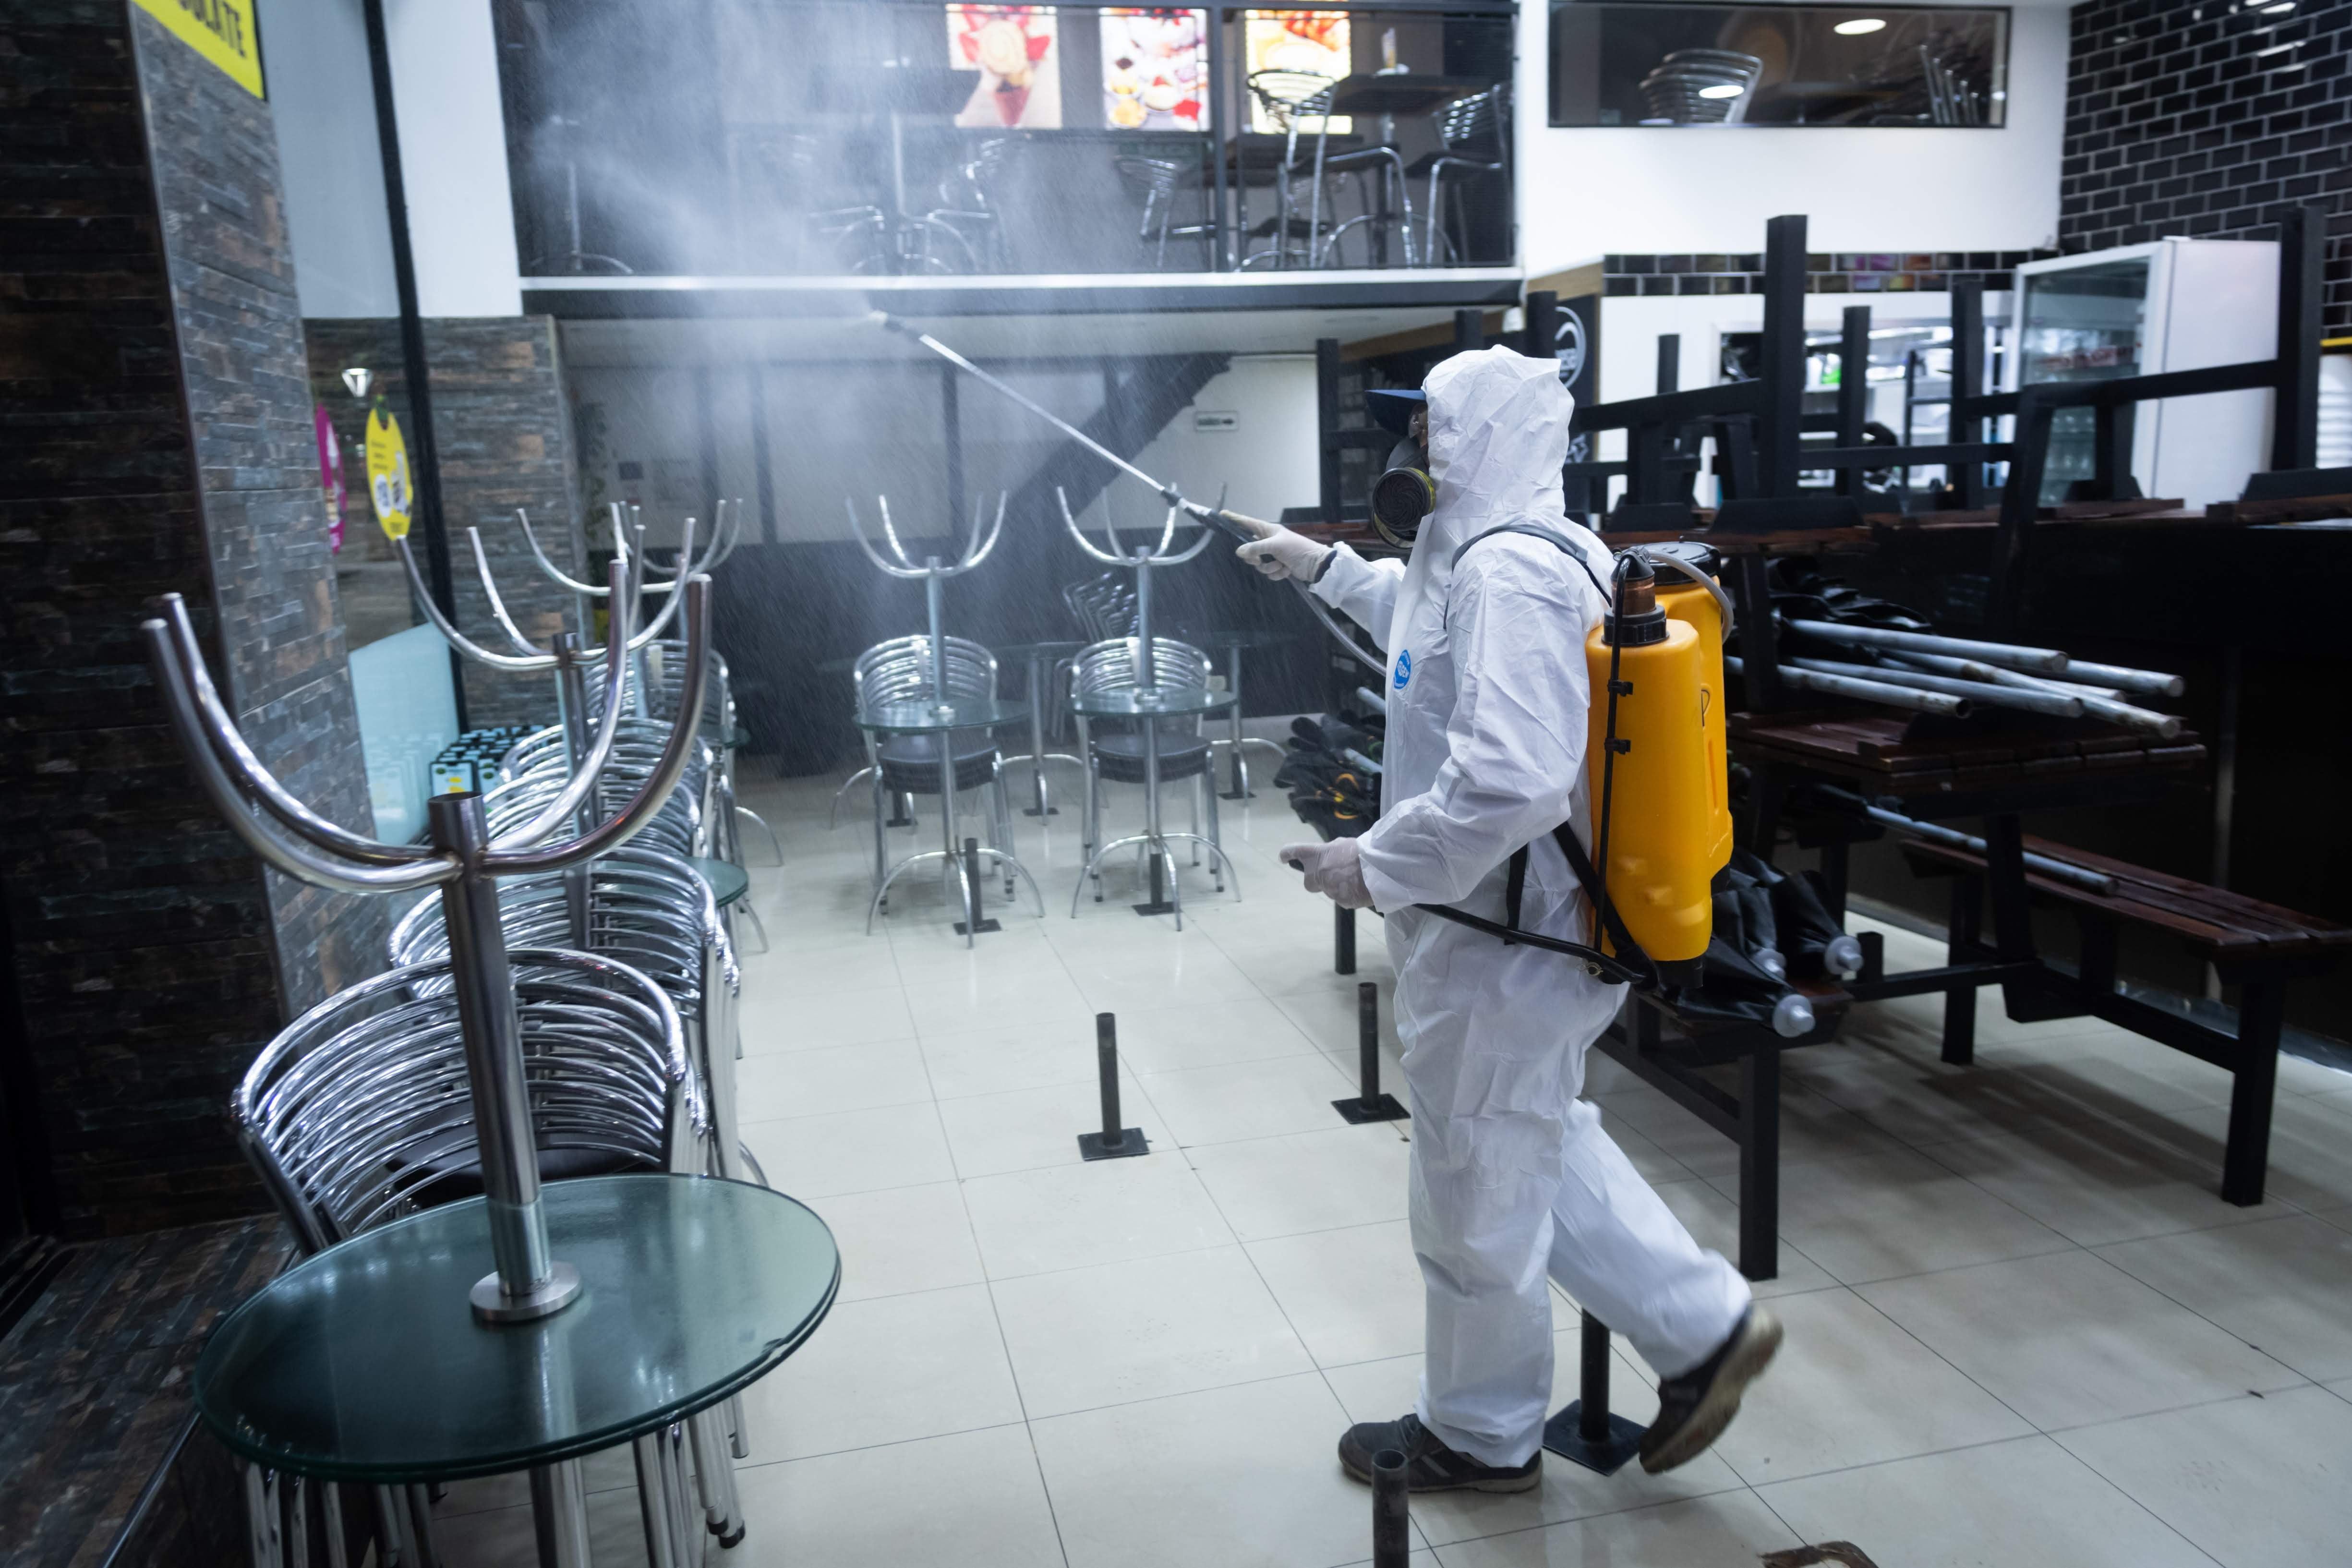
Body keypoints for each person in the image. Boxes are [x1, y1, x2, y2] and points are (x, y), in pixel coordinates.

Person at [1234, 347, 1779, 1491]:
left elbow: (1511, 780)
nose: (1415, 452)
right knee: (1532, 1136)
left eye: (1432, 429)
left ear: (1484, 435)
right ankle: (1702, 1329)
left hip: (1503, 934)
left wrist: (1369, 865)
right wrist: (1325, 566)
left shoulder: (1507, 574)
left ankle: (1479, 1434)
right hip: (1513, 930)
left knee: (1473, 1177)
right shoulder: (1504, 548)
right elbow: (1424, 628)